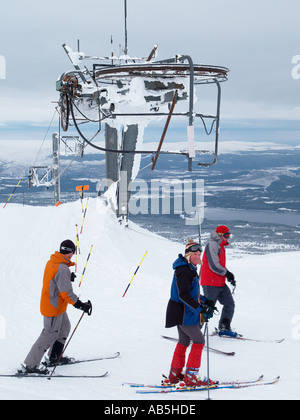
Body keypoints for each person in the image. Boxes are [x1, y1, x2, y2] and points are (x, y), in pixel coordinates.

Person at [22, 240, 92, 374]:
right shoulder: (62, 268)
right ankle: (30, 365)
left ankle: (54, 357)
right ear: (70, 252)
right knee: (49, 334)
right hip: (53, 307)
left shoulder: (53, 262)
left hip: (56, 304)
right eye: (73, 252)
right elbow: (66, 293)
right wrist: (80, 305)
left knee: (64, 328)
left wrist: (67, 278)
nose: (73, 254)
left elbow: (53, 279)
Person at [165, 239, 217, 386]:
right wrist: (201, 308)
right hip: (182, 313)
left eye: (199, 253)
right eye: (195, 253)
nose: (198, 255)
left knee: (184, 341)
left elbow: (191, 294)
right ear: (188, 254)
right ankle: (191, 376)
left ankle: (175, 374)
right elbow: (183, 295)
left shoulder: (189, 269)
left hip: (182, 311)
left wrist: (204, 301)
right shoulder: (184, 270)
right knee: (199, 340)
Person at [200, 225, 237, 337]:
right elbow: (214, 266)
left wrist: (228, 275)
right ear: (220, 235)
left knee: (229, 304)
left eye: (229, 235)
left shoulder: (220, 246)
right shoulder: (212, 245)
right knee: (207, 308)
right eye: (226, 235)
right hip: (210, 283)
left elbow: (219, 266)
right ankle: (193, 332)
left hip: (220, 282)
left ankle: (224, 328)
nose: (228, 238)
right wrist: (226, 273)